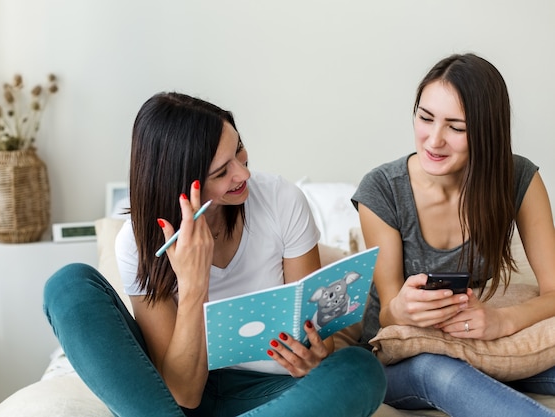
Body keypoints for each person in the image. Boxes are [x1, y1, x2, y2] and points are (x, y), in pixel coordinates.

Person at [43, 92, 386, 417]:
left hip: (272, 392)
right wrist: (193, 286)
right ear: (182, 183)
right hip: (167, 402)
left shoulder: (282, 200)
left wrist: (312, 356)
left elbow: (305, 328)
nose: (243, 173)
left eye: (239, 151)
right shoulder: (137, 243)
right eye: (222, 172)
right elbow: (184, 394)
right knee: (67, 285)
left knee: (360, 368)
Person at [352, 52, 555, 417]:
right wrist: (403, 307)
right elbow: (388, 313)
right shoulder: (382, 189)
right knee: (441, 373)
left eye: (456, 127)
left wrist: (503, 320)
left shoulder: (518, 178)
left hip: (475, 339)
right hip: (404, 357)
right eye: (425, 118)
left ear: (487, 131)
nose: (433, 140)